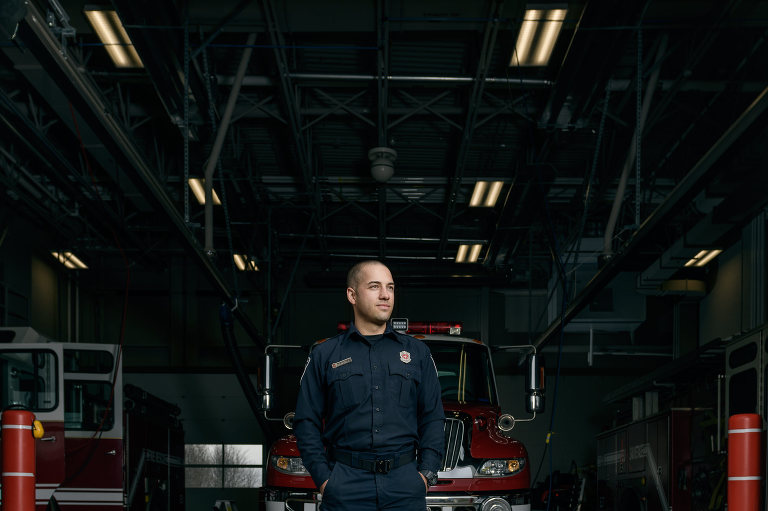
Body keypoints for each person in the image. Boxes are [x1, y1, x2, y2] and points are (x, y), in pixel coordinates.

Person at [294, 260, 445, 510]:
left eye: (391, 287)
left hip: (405, 485)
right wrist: (324, 479)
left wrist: (425, 475)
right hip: (345, 485)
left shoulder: (417, 352)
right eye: (375, 286)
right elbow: (305, 421)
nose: (385, 295)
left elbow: (432, 417)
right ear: (352, 295)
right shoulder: (325, 354)